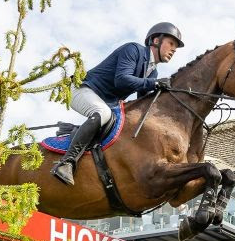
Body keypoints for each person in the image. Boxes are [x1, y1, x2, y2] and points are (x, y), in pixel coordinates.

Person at [50, 22, 183, 185]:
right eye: (171, 43)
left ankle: (77, 133)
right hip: (82, 89)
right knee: (104, 113)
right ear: (156, 40)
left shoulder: (153, 71)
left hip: (105, 102)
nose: (174, 50)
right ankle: (66, 163)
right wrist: (154, 83)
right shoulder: (133, 50)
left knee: (121, 122)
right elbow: (122, 80)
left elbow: (142, 101)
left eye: (175, 47)